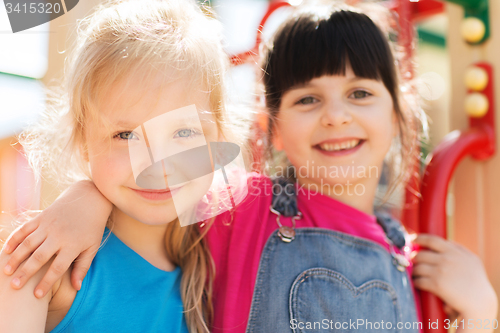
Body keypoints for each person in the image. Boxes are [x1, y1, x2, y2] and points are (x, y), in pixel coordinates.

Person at [2, 2, 497, 333]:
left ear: (398, 111)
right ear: (272, 127)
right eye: (307, 99)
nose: (337, 115)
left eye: (360, 93)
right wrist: (84, 197)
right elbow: (153, 197)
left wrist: (481, 311)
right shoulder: (246, 208)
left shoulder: (414, 259)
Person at [0, 0, 249, 331]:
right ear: (82, 141)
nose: (158, 164)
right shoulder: (49, 264)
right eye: (126, 135)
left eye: (184, 131)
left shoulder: (216, 257)